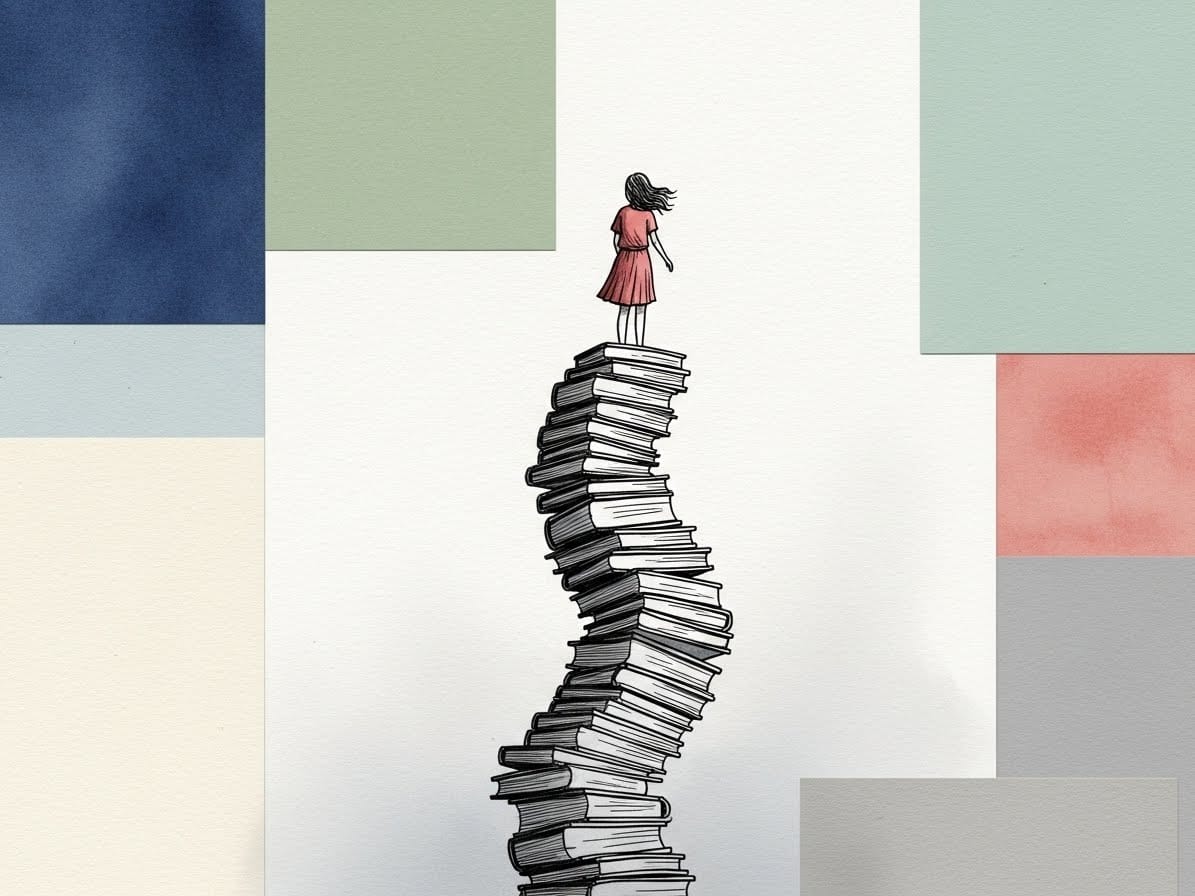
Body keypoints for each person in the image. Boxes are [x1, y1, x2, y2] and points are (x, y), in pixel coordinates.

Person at [596, 172, 675, 345]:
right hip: (642, 260)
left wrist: (622, 255)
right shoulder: (648, 215)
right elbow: (654, 241)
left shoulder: (623, 212)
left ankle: (623, 344)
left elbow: (616, 240)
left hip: (625, 258)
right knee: (641, 307)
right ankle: (639, 345)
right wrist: (666, 259)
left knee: (624, 307)